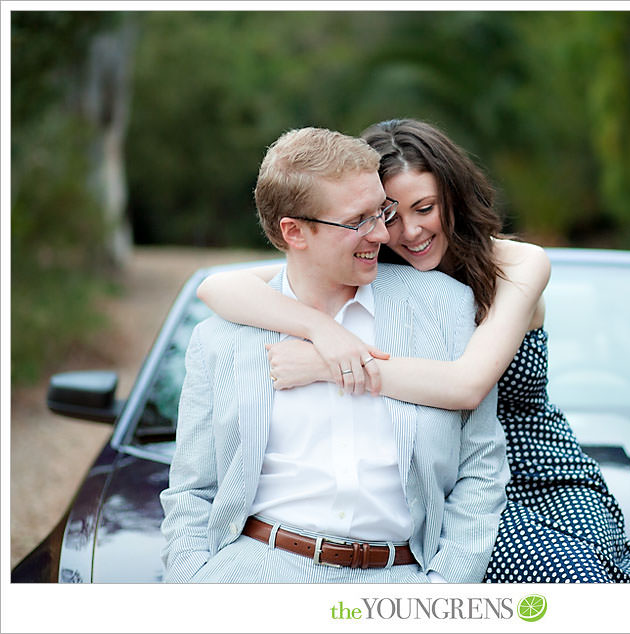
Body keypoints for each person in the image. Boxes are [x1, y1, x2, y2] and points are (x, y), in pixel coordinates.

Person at [197, 118, 630, 583]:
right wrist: (322, 329)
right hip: (439, 487)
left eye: (426, 208)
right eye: (390, 215)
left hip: (535, 473)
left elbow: (467, 384)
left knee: (587, 580)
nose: (411, 231)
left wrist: (328, 365)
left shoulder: (517, 263)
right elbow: (219, 287)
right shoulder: (379, 275)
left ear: (452, 198)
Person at [159, 127, 510, 583]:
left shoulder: (445, 306)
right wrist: (193, 587)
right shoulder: (221, 337)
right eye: (359, 220)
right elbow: (191, 490)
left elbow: (481, 466)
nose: (384, 234)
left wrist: (444, 587)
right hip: (253, 575)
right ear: (294, 231)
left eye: (380, 211)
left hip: (401, 584)